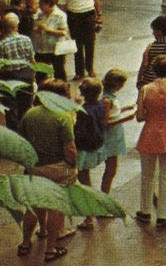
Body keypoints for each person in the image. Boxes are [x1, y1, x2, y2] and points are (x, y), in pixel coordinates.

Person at [17, 78, 76, 262]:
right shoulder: (62, 117)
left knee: (33, 207)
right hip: (58, 168)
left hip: (35, 168)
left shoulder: (29, 114)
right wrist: (73, 165)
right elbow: (70, 149)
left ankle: (26, 243)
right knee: (56, 208)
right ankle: (50, 249)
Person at [135, 56, 166, 227]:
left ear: (153, 70)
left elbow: (140, 116)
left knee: (147, 176)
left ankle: (145, 211)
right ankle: (164, 214)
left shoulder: (145, 89)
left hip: (149, 135)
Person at [0, 12, 35, 132]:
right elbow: (32, 59)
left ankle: (13, 131)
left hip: (9, 78)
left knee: (10, 108)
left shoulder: (1, 45)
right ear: (17, 25)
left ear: (4, 27)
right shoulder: (27, 39)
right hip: (26, 75)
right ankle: (26, 129)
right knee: (26, 106)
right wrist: (33, 75)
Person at [74, 77, 107, 230]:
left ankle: (89, 217)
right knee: (86, 181)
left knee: (84, 182)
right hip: (96, 145)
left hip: (83, 149)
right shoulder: (101, 105)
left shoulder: (83, 111)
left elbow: (79, 132)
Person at [58, 0, 101, 79]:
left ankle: (90, 69)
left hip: (89, 15)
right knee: (77, 45)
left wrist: (99, 15)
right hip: (74, 17)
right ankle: (79, 72)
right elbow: (61, 4)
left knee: (90, 43)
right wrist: (62, 21)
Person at [98, 68, 135, 195]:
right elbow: (105, 122)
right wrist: (126, 119)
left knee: (112, 169)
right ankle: (104, 195)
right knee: (111, 169)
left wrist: (125, 109)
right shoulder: (106, 100)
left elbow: (114, 113)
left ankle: (105, 194)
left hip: (115, 136)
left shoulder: (110, 97)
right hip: (110, 137)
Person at [32, 0, 70, 81]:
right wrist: (37, 30)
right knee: (40, 73)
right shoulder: (40, 15)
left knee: (59, 72)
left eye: (41, 4)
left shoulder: (60, 15)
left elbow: (64, 32)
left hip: (55, 48)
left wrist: (47, 29)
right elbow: (35, 29)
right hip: (41, 48)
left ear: (48, 4)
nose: (39, 6)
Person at [137, 15, 166, 88]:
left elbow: (144, 64)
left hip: (151, 81)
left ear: (159, 32)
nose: (153, 33)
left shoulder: (151, 47)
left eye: (154, 31)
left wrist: (139, 80)